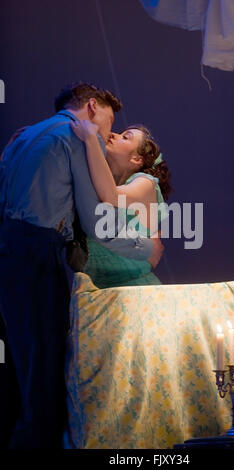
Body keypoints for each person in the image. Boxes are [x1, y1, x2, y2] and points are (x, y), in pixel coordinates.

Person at [0, 81, 164, 449]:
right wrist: (146, 246)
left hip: (10, 254)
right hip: (38, 256)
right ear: (92, 107)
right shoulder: (76, 137)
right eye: (110, 122)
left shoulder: (28, 137)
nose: (110, 132)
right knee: (44, 371)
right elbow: (98, 220)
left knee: (19, 371)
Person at [71, 121, 172, 288]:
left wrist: (90, 138)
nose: (112, 135)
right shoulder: (96, 184)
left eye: (125, 137)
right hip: (100, 293)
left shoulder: (145, 184)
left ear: (136, 159)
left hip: (135, 294)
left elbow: (112, 196)